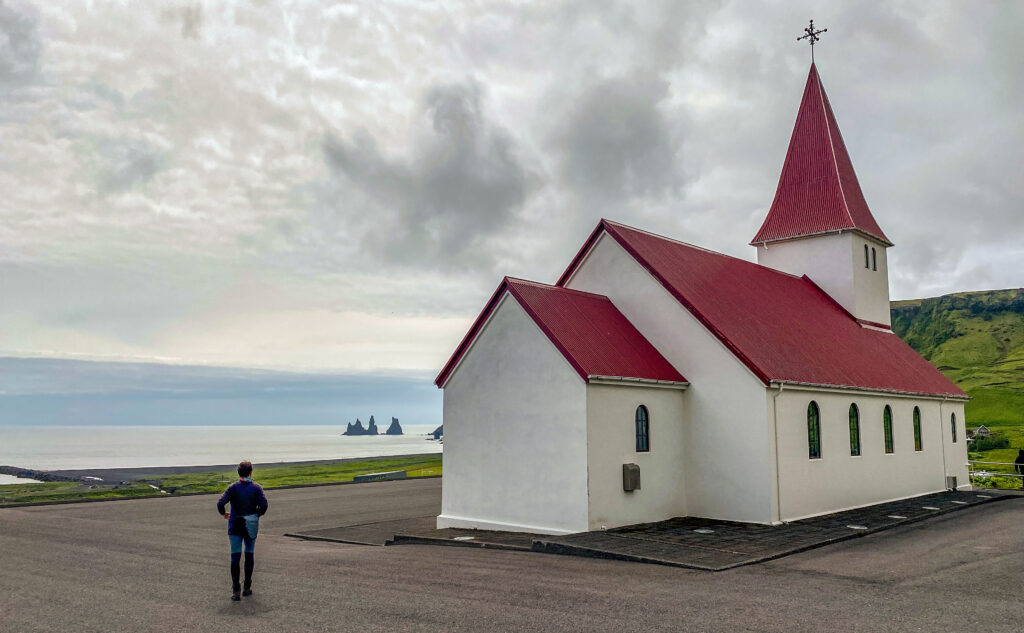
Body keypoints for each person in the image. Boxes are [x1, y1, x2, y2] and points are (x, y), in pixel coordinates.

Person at [216, 460, 269, 601]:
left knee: (235, 556)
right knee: (249, 554)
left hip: (235, 525)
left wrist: (224, 514)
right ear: (251, 472)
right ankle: (247, 587)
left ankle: (236, 590)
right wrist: (256, 514)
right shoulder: (257, 488)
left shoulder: (232, 488)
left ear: (238, 472)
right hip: (250, 525)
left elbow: (220, 503)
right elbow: (264, 505)